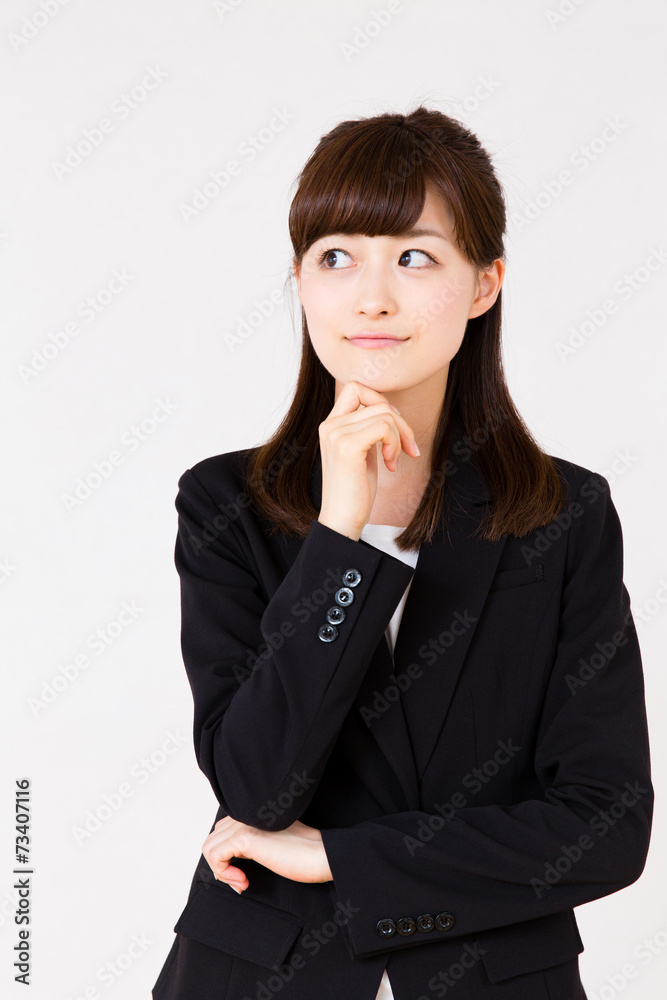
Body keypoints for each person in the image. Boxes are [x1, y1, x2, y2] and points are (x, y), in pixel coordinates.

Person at [151, 106, 653, 1000]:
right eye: (335, 256)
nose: (370, 297)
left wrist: (344, 859)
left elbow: (604, 824)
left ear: (483, 283)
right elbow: (256, 785)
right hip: (257, 975)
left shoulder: (562, 513)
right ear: (300, 281)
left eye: (414, 256)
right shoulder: (223, 503)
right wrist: (341, 537)